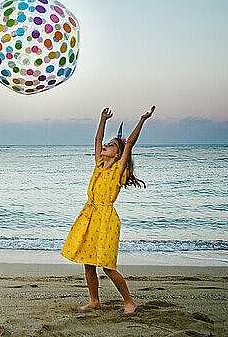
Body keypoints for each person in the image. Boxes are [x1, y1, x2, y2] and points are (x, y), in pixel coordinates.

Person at [60, 105, 155, 314]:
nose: (105, 145)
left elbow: (129, 142)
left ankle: (129, 301)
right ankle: (94, 301)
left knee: (107, 265)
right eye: (106, 143)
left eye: (110, 145)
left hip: (106, 219)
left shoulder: (118, 170)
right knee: (87, 262)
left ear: (118, 153)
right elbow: (96, 140)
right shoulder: (98, 165)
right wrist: (102, 120)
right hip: (89, 215)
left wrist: (142, 120)